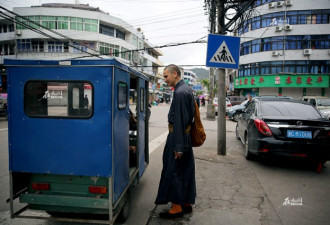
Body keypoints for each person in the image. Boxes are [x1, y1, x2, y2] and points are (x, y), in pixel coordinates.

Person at [155, 64, 196, 219]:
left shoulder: (179, 92)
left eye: (166, 76)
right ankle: (186, 203)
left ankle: (176, 208)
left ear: (175, 74)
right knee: (185, 170)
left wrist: (178, 147)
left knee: (174, 171)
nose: (165, 79)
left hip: (177, 137)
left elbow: (178, 120)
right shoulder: (186, 89)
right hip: (184, 137)